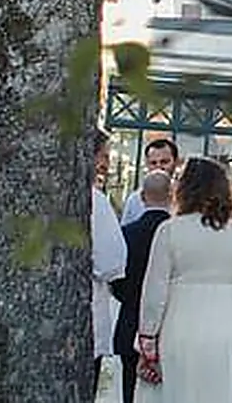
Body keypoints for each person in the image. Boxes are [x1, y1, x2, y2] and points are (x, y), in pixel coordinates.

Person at [134, 157, 232, 402]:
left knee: (179, 390)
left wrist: (147, 337)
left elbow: (155, 291)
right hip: (228, 324)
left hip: (179, 321)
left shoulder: (170, 230)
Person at [113, 170, 173, 403]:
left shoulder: (127, 233)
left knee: (130, 387)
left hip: (131, 317)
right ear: (171, 196)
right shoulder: (175, 233)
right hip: (168, 321)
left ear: (142, 198)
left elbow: (116, 278)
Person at [93, 129, 128, 398]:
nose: (105, 164)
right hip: (86, 317)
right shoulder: (97, 202)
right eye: (103, 156)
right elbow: (112, 263)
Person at [122, 139, 181, 226]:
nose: (159, 166)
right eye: (153, 163)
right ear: (147, 164)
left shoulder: (184, 199)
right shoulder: (134, 200)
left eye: (164, 162)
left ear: (176, 162)